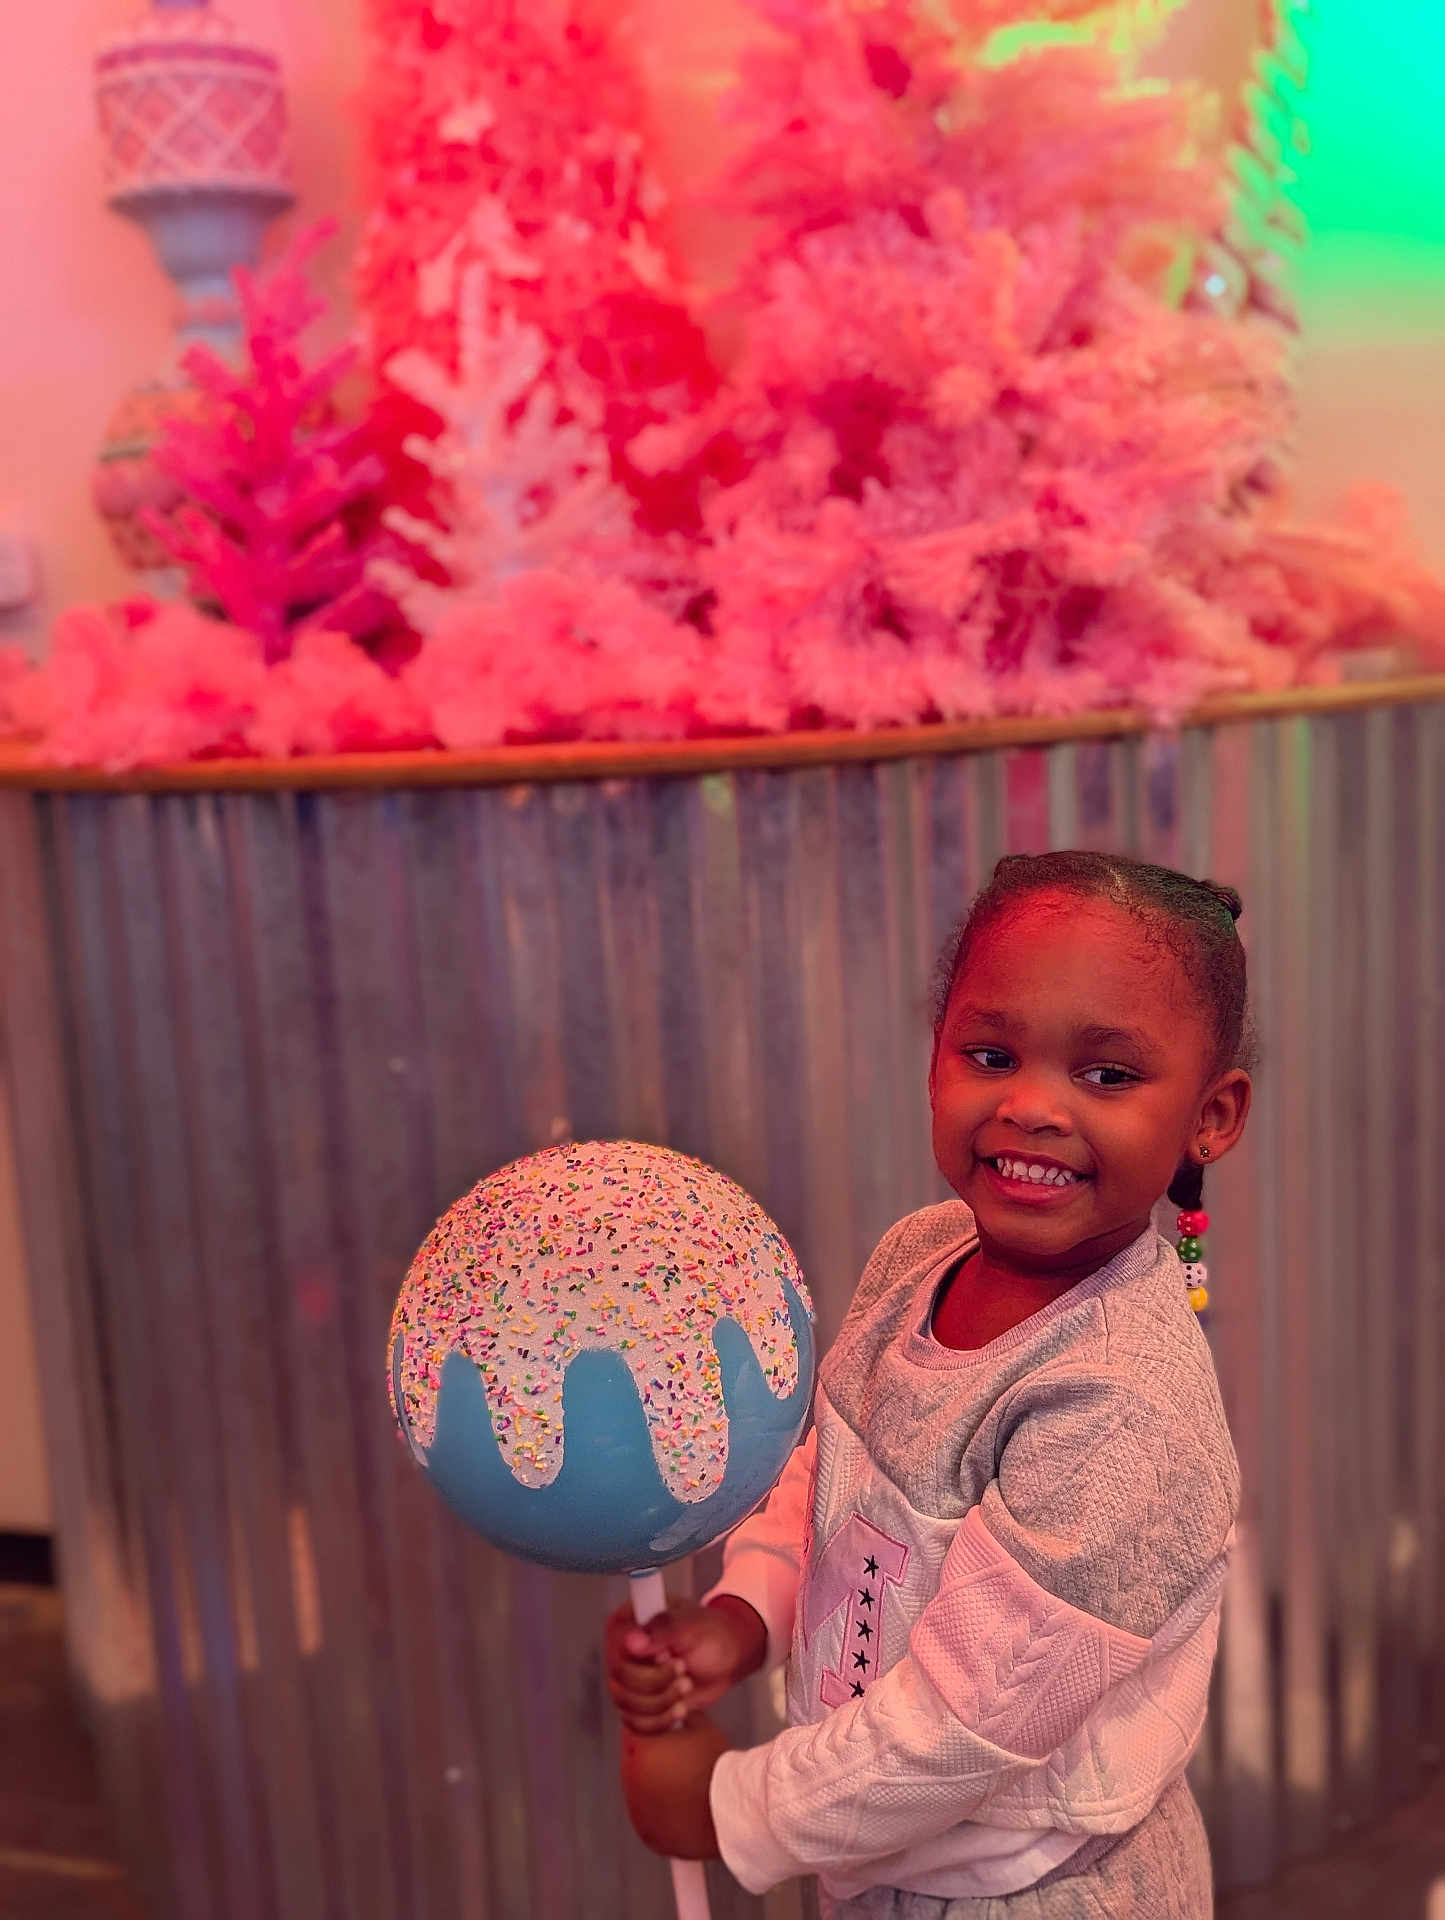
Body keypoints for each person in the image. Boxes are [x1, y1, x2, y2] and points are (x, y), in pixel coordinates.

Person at [605, 850, 1253, 1918]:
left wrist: (731, 1812)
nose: (1031, 1106)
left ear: (1209, 1118)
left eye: (1106, 1075)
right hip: (882, 1864)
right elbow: (830, 1478)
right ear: (933, 1062)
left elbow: (965, 1725)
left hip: (1031, 1895)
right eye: (989, 1054)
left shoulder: (1119, 1410)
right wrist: (742, 1615)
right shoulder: (918, 1254)